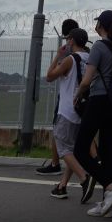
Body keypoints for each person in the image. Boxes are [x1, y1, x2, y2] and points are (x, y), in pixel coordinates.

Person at [73, 10, 112, 218]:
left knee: (80, 149)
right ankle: (108, 202)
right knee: (105, 151)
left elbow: (87, 80)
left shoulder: (98, 46)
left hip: (99, 100)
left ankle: (110, 187)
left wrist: (77, 95)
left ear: (101, 26)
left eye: (98, 24)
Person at [43, 27, 93, 200]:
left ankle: (84, 178)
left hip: (67, 110)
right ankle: (62, 186)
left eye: (67, 40)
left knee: (64, 149)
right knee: (73, 149)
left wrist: (58, 55)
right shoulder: (90, 59)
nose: (66, 42)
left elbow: (49, 76)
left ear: (71, 41)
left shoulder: (70, 59)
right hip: (83, 110)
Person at [38, 18, 80, 176]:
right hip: (81, 97)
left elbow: (51, 75)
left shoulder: (66, 52)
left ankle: (56, 163)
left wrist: (57, 57)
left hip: (67, 99)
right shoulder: (85, 51)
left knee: (58, 130)